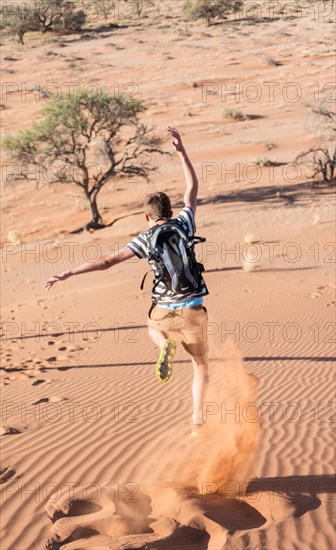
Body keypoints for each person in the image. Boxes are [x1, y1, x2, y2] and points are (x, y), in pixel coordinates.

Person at [45, 127, 209, 433]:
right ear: (170, 211)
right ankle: (197, 417)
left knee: (151, 327)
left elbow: (107, 261)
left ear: (147, 217)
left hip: (164, 310)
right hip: (194, 310)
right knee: (200, 365)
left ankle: (162, 344)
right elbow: (192, 186)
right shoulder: (186, 222)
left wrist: (69, 273)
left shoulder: (145, 239)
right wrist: (181, 150)